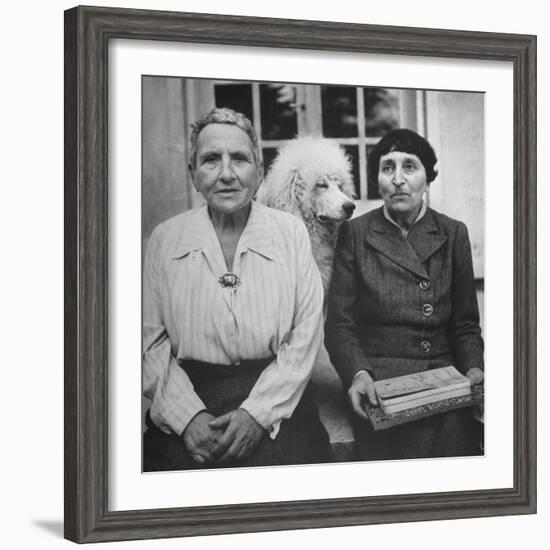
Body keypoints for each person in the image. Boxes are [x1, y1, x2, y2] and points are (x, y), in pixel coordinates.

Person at [142, 107, 330, 470]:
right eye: (211, 160)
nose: (226, 174)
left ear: (259, 172)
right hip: (192, 392)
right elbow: (149, 344)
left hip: (278, 394)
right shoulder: (165, 240)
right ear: (193, 174)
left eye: (240, 159)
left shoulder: (289, 233)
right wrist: (188, 419)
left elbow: (306, 335)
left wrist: (257, 414)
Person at [325, 128, 484, 460]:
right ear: (378, 180)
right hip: (378, 381)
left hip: (442, 378)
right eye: (388, 168)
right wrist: (358, 374)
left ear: (428, 179)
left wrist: (473, 369)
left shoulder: (453, 233)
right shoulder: (355, 234)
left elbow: (465, 325)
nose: (398, 179)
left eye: (409, 167)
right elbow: (339, 326)